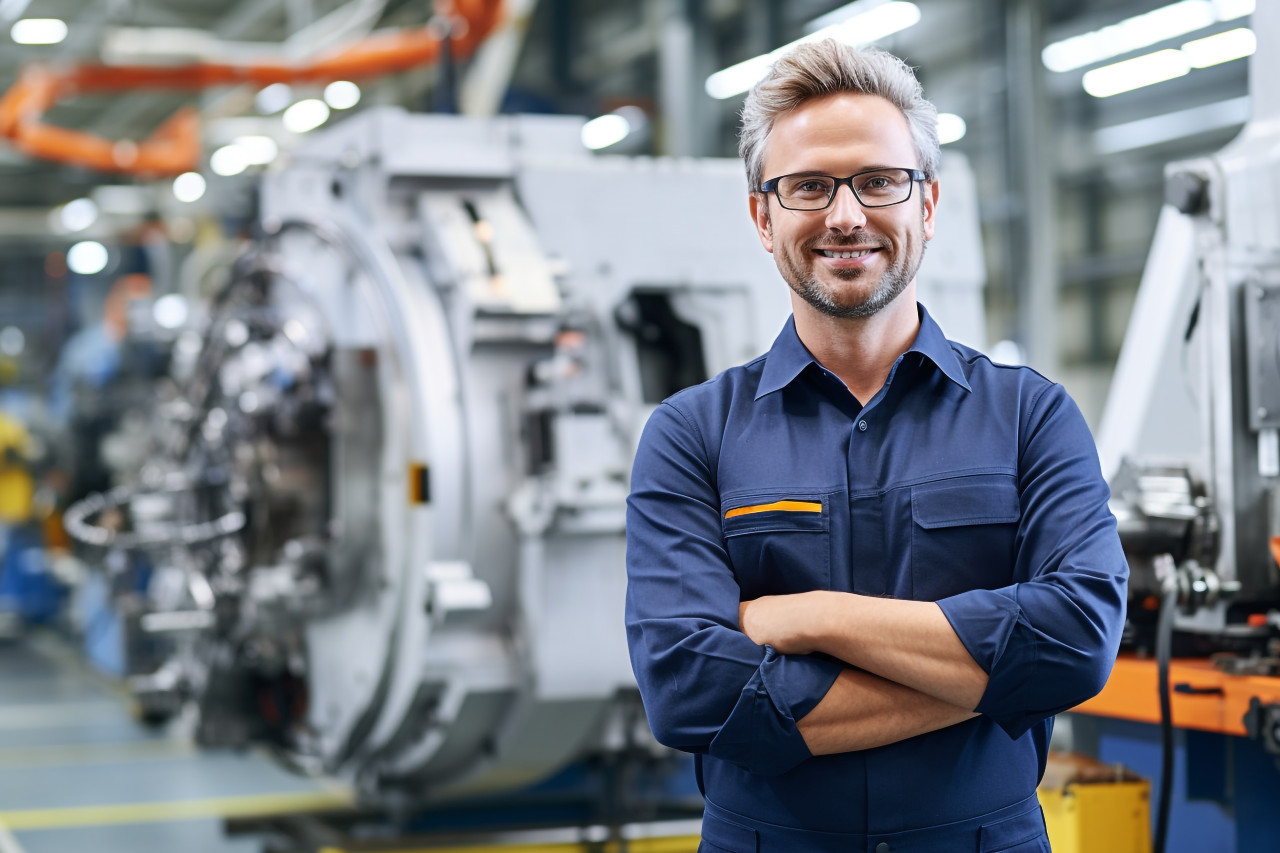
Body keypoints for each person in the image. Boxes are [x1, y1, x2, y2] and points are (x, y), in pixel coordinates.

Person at [624, 40, 1127, 853]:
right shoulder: (692, 434)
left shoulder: (1032, 416)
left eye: (879, 180)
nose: (846, 215)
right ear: (763, 215)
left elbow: (1075, 638)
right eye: (810, 186)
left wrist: (812, 617)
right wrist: (995, 682)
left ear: (926, 205)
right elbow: (690, 688)